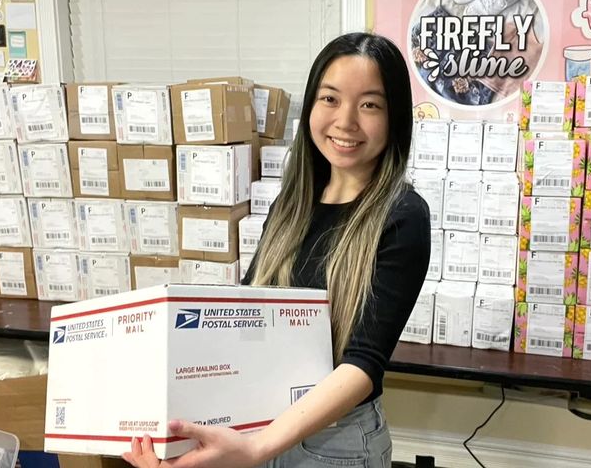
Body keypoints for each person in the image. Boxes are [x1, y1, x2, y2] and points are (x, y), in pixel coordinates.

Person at [123, 32, 432, 468]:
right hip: (256, 423)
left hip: (335, 445)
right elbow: (245, 311)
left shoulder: (402, 215)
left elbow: (362, 366)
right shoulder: (293, 202)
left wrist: (253, 449)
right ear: (310, 107)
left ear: (394, 117)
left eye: (369, 104)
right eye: (330, 99)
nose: (345, 121)